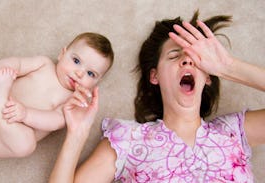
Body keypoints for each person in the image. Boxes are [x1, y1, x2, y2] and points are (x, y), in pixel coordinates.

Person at [49, 11, 265, 182]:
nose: (187, 61)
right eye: (174, 55)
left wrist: (229, 67)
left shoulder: (234, 132)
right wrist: (76, 135)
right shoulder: (127, 141)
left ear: (208, 76)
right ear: (155, 76)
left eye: (196, 58)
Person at [0, 32, 114, 158]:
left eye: (90, 74)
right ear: (62, 54)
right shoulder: (44, 64)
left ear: (96, 83)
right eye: (76, 61)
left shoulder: (71, 102)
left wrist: (26, 114)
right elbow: (17, 64)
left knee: (26, 145)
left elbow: (55, 121)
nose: (79, 73)